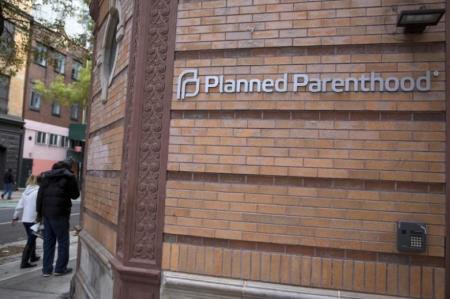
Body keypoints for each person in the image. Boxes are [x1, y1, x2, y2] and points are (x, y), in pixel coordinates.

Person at [36, 161, 80, 277]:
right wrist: (73, 180)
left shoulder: (46, 177)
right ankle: (60, 268)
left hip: (47, 214)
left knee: (48, 242)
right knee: (63, 241)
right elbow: (75, 195)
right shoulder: (68, 177)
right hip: (61, 213)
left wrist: (39, 214)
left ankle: (46, 270)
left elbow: (40, 196)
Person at [12, 175, 41, 268]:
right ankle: (24, 262)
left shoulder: (25, 192)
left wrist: (15, 217)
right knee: (31, 239)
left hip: (25, 220)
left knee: (32, 237)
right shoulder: (38, 191)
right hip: (34, 219)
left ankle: (33, 256)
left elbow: (19, 206)